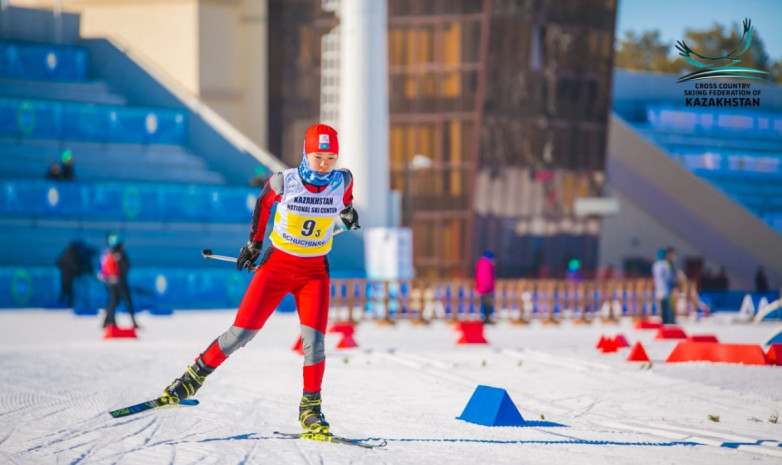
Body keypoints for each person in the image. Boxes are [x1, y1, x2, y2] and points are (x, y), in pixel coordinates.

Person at [160, 124, 360, 435]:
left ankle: (311, 409)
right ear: (306, 153)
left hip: (314, 273)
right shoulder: (285, 181)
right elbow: (262, 205)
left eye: (331, 157)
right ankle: (191, 379)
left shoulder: (343, 179)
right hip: (278, 266)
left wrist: (348, 213)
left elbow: (346, 201)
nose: (324, 164)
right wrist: (254, 244)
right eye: (318, 156)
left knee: (315, 344)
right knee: (241, 334)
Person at [99, 233, 138, 328]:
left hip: (110, 281)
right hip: (119, 281)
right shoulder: (119, 253)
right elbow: (126, 266)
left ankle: (109, 322)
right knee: (124, 301)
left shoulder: (106, 252)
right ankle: (112, 322)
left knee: (113, 301)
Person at [652, 247, 677, 325]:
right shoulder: (666, 264)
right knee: (670, 305)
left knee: (662, 305)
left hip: (659, 287)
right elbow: (670, 276)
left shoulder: (655, 265)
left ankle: (664, 320)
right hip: (668, 287)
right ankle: (670, 320)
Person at [55, 243, 81, 308]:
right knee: (69, 292)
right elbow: (75, 267)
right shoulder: (72, 257)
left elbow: (58, 263)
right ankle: (69, 305)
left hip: (63, 276)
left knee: (63, 291)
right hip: (69, 277)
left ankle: (60, 304)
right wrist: (77, 272)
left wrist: (63, 268)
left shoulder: (64, 255)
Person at [475, 250, 496, 324]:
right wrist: (486, 287)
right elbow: (485, 277)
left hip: (485, 287)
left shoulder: (484, 264)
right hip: (486, 288)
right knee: (487, 303)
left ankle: (486, 318)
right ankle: (486, 319)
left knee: (486, 303)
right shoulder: (486, 264)